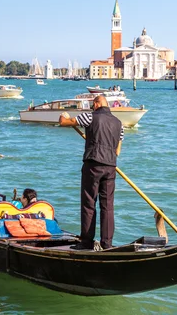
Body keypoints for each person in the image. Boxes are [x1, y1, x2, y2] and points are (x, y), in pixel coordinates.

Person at [58, 95, 124, 250]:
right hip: (110, 166)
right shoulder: (118, 123)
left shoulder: (90, 116)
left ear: (96, 103)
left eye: (92, 105)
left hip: (93, 164)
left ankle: (87, 242)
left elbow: (64, 123)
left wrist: (64, 115)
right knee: (107, 206)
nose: (92, 108)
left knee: (89, 204)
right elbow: (118, 151)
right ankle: (107, 244)